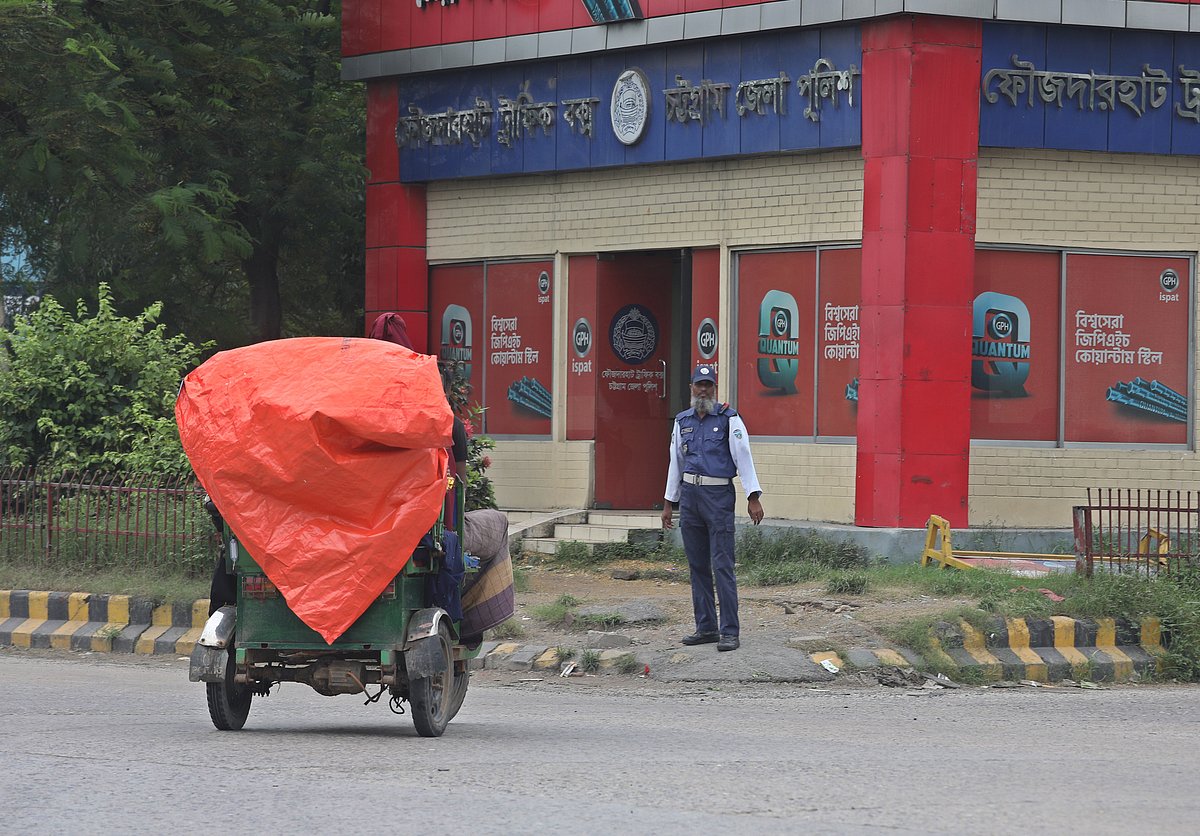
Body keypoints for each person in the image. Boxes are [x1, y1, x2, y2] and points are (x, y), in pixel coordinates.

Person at [661, 364, 764, 652]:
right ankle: (706, 627)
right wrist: (670, 502)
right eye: (698, 385)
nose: (703, 390)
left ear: (715, 389)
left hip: (718, 496)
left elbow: (743, 456)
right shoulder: (682, 421)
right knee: (697, 565)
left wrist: (752, 495)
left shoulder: (729, 419)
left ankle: (729, 630)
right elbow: (675, 462)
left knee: (722, 565)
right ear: (691, 388)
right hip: (691, 498)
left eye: (708, 385)